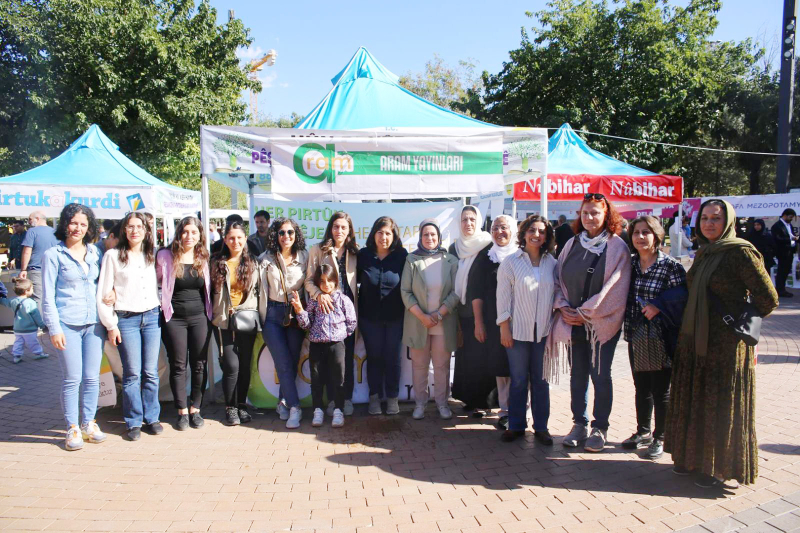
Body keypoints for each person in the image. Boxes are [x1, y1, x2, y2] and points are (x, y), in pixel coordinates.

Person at [665, 199, 779, 488]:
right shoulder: (705, 252)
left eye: (716, 218)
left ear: (728, 221)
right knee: (699, 400)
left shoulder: (740, 252)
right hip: (695, 341)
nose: (709, 223)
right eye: (705, 218)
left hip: (725, 347)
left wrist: (739, 323)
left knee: (722, 404)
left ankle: (722, 469)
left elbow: (768, 298)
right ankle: (693, 460)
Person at [550, 193, 632, 453]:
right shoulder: (571, 244)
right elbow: (557, 279)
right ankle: (579, 424)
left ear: (606, 214)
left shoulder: (617, 246)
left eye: (595, 212)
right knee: (577, 375)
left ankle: (600, 427)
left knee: (601, 375)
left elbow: (616, 288)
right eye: (585, 212)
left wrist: (586, 312)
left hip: (600, 325)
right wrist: (563, 306)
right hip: (572, 322)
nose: (589, 217)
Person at [42, 204, 107, 451]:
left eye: (83, 224)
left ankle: (89, 422)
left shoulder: (95, 253)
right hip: (67, 323)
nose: (78, 228)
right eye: (73, 223)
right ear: (64, 224)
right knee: (72, 378)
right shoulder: (53, 255)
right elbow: (47, 297)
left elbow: (102, 284)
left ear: (89, 227)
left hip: (94, 324)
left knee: (92, 378)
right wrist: (54, 328)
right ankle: (72, 427)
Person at [622, 216, 687, 460]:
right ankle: (643, 431)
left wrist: (658, 304)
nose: (640, 237)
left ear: (657, 235)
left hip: (660, 338)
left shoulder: (670, 266)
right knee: (641, 387)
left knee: (661, 390)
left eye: (646, 232)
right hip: (636, 335)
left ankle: (661, 435)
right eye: (636, 232)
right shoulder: (630, 264)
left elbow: (682, 298)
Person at [97, 211, 162, 442]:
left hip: (152, 317)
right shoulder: (113, 256)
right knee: (132, 373)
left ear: (146, 230)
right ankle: (134, 420)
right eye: (130, 227)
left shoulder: (152, 255)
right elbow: (104, 292)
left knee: (151, 372)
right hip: (127, 319)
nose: (135, 231)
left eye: (139, 227)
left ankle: (152, 418)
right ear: (124, 230)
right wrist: (111, 324)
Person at [496, 215, 558, 444]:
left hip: (544, 331)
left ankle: (541, 427)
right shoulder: (511, 262)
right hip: (517, 332)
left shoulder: (552, 263)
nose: (536, 235)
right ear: (523, 234)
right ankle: (516, 425)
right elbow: (502, 298)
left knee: (541, 381)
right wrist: (504, 327)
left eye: (541, 231)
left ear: (547, 236)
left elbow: (558, 293)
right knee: (519, 379)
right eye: (532, 230)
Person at [156, 216, 212, 431]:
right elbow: (155, 282)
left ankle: (195, 408)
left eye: (194, 232)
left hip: (200, 317)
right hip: (174, 319)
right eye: (185, 232)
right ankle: (181, 411)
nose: (189, 236)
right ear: (179, 233)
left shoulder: (204, 257)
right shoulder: (165, 256)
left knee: (199, 364)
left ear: (200, 236)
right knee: (179, 365)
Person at [400, 219, 459, 420]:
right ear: (420, 237)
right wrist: (423, 316)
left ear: (439, 237)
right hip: (419, 322)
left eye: (433, 234)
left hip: (443, 322)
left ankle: (442, 404)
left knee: (442, 366)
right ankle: (420, 404)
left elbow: (456, 292)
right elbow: (405, 291)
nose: (430, 238)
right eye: (426, 234)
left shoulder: (450, 260)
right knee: (419, 366)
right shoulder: (412, 260)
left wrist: (439, 313)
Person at [306, 212, 359, 416]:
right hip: (324, 314)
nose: (340, 231)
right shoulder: (318, 250)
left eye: (344, 227)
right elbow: (309, 280)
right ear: (330, 228)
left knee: (345, 360)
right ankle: (331, 402)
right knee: (326, 363)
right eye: (336, 227)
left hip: (346, 316)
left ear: (349, 230)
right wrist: (319, 295)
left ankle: (345, 399)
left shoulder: (354, 251)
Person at [292, 264, 356, 428]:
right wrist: (299, 310)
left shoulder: (343, 300)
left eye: (329, 281)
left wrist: (339, 335)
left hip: (337, 345)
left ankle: (338, 411)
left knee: (338, 379)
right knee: (317, 379)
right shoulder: (314, 302)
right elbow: (306, 324)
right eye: (322, 281)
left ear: (336, 281)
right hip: (316, 345)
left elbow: (351, 322)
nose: (326, 284)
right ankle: (318, 410)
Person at [211, 220, 262, 426]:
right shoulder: (216, 263)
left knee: (245, 365)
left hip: (247, 319)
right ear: (225, 240)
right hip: (223, 320)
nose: (236, 241)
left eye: (240, 237)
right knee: (231, 366)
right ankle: (230, 407)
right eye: (231, 238)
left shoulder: (254, 263)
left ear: (245, 239)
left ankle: (241, 405)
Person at [258, 217, 308, 429]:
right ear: (275, 236)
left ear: (296, 235)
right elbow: (259, 290)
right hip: (272, 315)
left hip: (295, 315)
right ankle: (295, 407)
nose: (286, 236)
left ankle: (283, 401)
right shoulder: (265, 259)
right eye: (281, 232)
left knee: (292, 361)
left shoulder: (305, 257)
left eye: (290, 232)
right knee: (284, 363)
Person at [471, 215, 518, 430]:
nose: (500, 232)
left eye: (504, 227)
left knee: (520, 366)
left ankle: (522, 410)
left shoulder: (523, 255)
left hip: (521, 321)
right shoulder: (485, 257)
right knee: (500, 366)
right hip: (493, 322)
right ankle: (506, 411)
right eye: (495, 227)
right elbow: (477, 293)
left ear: (514, 229)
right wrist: (478, 323)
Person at [357, 217, 408, 415]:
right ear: (373, 234)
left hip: (395, 317)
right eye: (380, 232)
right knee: (375, 357)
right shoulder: (363, 255)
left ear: (394, 236)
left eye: (388, 233)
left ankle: (393, 397)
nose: (384, 237)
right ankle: (374, 398)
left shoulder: (402, 256)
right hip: (369, 318)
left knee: (393, 358)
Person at [449, 205, 495, 416]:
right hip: (459, 311)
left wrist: (480, 319)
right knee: (464, 356)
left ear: (478, 222)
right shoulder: (454, 248)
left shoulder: (487, 246)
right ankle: (467, 397)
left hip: (482, 313)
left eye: (472, 219)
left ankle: (482, 402)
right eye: (464, 220)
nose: (468, 224)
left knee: (481, 358)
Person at [1, 277, 47, 364]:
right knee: (33, 342)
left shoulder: (13, 300)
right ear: (26, 291)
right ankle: (38, 353)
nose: (33, 290)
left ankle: (16, 355)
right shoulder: (30, 302)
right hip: (29, 328)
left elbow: (4, 302)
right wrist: (41, 325)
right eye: (32, 288)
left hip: (17, 328)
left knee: (18, 342)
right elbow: (36, 315)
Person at [19, 210, 58, 308]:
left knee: (38, 298)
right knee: (52, 297)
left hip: (36, 270)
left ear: (37, 218)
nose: (28, 222)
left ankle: (39, 323)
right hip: (54, 270)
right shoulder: (55, 232)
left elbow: (27, 251)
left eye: (30, 219)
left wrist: (23, 269)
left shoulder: (31, 231)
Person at [770, 208, 796, 298]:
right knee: (782, 271)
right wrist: (790, 239)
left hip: (790, 251)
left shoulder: (790, 225)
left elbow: (791, 236)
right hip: (782, 252)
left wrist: (795, 239)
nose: (791, 219)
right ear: (784, 215)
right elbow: (777, 239)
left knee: (786, 271)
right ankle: (780, 290)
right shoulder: (777, 226)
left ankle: (782, 289)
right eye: (790, 217)